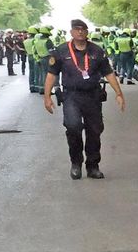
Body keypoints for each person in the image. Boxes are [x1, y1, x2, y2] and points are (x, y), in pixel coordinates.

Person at [43, 19, 125, 180]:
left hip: (92, 96)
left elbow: (108, 73)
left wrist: (119, 93)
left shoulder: (96, 51)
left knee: (94, 131)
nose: (80, 32)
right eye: (77, 29)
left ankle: (93, 166)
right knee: (73, 127)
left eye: (83, 29)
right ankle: (76, 163)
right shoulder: (61, 51)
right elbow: (52, 74)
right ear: (71, 32)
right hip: (71, 96)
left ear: (87, 32)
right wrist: (47, 97)